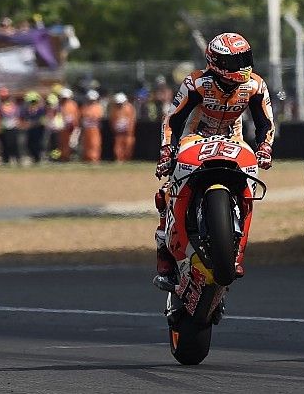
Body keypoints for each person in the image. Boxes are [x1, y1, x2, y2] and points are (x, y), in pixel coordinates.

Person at [153, 33, 275, 285]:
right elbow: (172, 120)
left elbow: (266, 122)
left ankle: (237, 251)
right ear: (217, 63)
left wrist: (264, 147)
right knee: (168, 190)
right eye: (236, 61)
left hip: (233, 139)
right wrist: (167, 151)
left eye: (246, 58)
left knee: (248, 185)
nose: (243, 66)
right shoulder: (196, 83)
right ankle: (164, 248)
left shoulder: (255, 85)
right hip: (193, 139)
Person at [109, 92, 137, 163]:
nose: (119, 105)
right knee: (118, 145)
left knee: (128, 145)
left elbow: (132, 119)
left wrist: (129, 128)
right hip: (118, 131)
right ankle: (119, 159)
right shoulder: (114, 109)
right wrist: (114, 127)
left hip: (128, 132)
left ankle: (127, 159)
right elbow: (112, 119)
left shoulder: (129, 108)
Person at [0, 87, 21, 166]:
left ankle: (17, 159)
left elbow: (12, 112)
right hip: (3, 127)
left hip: (12, 126)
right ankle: (5, 160)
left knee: (13, 144)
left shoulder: (12, 103)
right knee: (4, 144)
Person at [21, 91, 47, 164]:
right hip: (30, 131)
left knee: (38, 144)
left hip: (39, 130)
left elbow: (42, 120)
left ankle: (38, 158)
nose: (32, 103)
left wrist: (32, 123)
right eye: (31, 102)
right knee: (29, 144)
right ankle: (34, 158)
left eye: (34, 102)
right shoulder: (27, 111)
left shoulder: (41, 110)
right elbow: (24, 119)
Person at [80, 90, 104, 163]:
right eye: (90, 99)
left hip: (94, 129)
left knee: (94, 143)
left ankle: (94, 159)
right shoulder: (84, 107)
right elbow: (82, 117)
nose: (91, 101)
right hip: (86, 129)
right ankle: (86, 158)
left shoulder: (98, 107)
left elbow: (99, 118)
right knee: (86, 144)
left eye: (93, 100)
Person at [58, 88, 80, 161]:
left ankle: (72, 157)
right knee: (62, 143)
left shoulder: (72, 105)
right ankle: (63, 157)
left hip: (72, 127)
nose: (65, 99)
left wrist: (74, 125)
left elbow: (75, 116)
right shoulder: (60, 105)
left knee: (72, 144)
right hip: (63, 128)